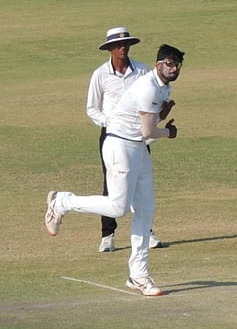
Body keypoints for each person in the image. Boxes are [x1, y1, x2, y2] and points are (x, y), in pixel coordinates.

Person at [46, 44, 185, 296]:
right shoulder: (148, 87)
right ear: (158, 65)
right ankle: (63, 202)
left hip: (137, 148)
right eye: (169, 63)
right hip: (119, 146)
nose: (174, 68)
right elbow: (148, 131)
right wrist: (169, 132)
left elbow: (145, 125)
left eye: (177, 65)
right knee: (118, 208)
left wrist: (161, 117)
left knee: (145, 210)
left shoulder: (163, 87)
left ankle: (138, 275)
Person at [86, 27, 165, 252]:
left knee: (141, 184)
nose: (123, 48)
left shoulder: (141, 71)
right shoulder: (100, 74)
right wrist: (109, 123)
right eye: (119, 45)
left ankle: (146, 233)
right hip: (112, 137)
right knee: (112, 184)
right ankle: (108, 235)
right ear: (110, 48)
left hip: (139, 136)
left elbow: (152, 99)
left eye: (126, 44)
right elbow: (92, 108)